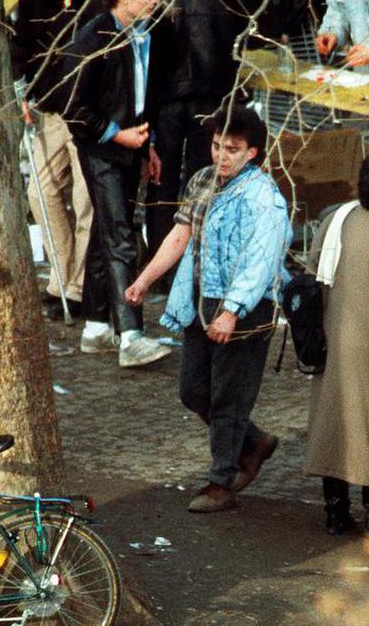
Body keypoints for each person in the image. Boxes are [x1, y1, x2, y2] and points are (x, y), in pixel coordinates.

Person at [126, 105, 291, 514]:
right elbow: (180, 235)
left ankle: (222, 481)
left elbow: (261, 259)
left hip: (245, 306)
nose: (221, 155)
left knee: (229, 397)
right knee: (193, 389)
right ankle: (253, 442)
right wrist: (145, 280)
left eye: (232, 149)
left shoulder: (264, 197)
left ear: (252, 152)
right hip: (201, 299)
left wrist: (233, 309)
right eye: (217, 146)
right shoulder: (203, 180)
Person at [60, 0, 173, 368]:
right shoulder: (94, 40)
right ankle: (131, 334)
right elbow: (71, 107)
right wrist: (115, 133)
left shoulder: (144, 33)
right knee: (120, 234)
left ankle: (95, 325)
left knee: (110, 229)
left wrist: (149, 145)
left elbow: (144, 95)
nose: (155, 0)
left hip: (131, 143)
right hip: (103, 148)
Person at [302, 152, 369, 535]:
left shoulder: (336, 220)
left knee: (334, 425)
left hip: (334, 338)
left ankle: (335, 511)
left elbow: (313, 273)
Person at [144, 0, 261, 256]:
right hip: (214, 91)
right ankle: (198, 253)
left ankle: (159, 256)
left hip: (165, 95)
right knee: (205, 176)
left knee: (161, 179)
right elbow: (260, 20)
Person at [11, 0, 100, 318]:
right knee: (41, 193)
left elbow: (118, 35)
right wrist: (22, 93)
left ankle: (79, 286)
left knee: (86, 200)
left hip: (89, 111)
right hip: (49, 108)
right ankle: (61, 278)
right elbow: (19, 45)